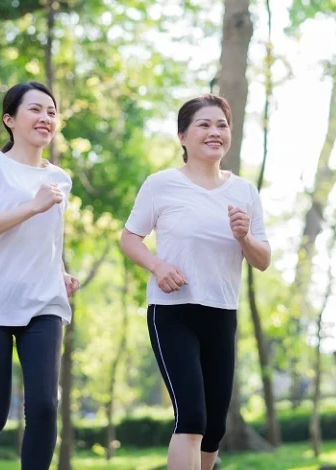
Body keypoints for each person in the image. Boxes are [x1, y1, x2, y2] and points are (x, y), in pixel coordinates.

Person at [120, 94, 271, 470]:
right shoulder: (161, 185)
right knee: (191, 417)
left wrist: (244, 237)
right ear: (182, 136)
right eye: (204, 124)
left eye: (222, 125)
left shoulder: (244, 192)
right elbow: (129, 238)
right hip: (173, 312)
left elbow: (262, 259)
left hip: (221, 312)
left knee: (215, 428)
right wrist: (157, 266)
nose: (214, 132)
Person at [0, 81, 79, 470]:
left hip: (43, 303)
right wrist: (32, 206)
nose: (46, 118)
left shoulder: (60, 178)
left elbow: (46, 240)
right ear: (9, 119)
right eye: (35, 109)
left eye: (52, 112)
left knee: (44, 406)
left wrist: (60, 272)